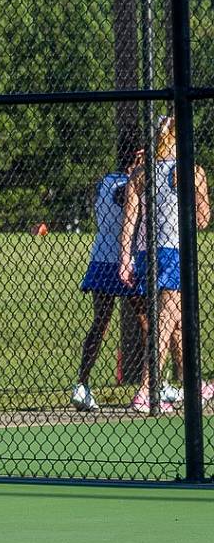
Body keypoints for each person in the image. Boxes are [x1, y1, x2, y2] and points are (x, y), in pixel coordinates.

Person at [118, 115, 212, 412]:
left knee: (177, 324)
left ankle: (192, 384)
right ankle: (147, 390)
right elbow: (203, 219)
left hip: (147, 254)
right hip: (173, 251)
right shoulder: (190, 170)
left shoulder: (141, 173)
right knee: (165, 323)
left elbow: (130, 221)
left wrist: (124, 260)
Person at [71, 154, 141, 411]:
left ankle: (81, 383)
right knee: (149, 322)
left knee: (101, 321)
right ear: (135, 157)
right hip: (125, 260)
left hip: (101, 257)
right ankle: (154, 384)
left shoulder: (103, 182)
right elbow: (131, 207)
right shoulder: (127, 184)